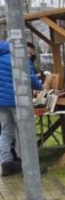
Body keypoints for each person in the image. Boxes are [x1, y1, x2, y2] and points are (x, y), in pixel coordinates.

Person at [0, 39, 43, 176]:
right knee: (26, 132)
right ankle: (30, 166)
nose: (30, 55)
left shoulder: (1, 55)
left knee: (6, 132)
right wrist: (41, 85)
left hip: (1, 102)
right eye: (30, 53)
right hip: (18, 101)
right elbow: (32, 80)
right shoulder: (20, 57)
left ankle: (6, 164)